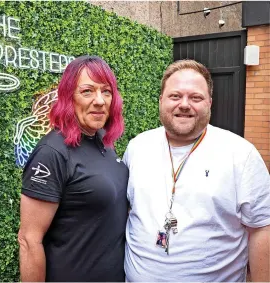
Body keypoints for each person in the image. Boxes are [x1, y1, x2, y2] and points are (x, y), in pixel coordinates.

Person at [124, 59, 270, 282]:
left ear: (210, 103)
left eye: (196, 97)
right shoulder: (137, 147)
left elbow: (262, 228)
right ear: (161, 100)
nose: (184, 104)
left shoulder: (240, 154)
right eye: (175, 96)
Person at [18, 55, 128, 282]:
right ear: (69, 98)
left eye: (106, 91)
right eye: (87, 91)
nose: (99, 100)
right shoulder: (53, 152)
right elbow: (29, 240)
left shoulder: (103, 141)